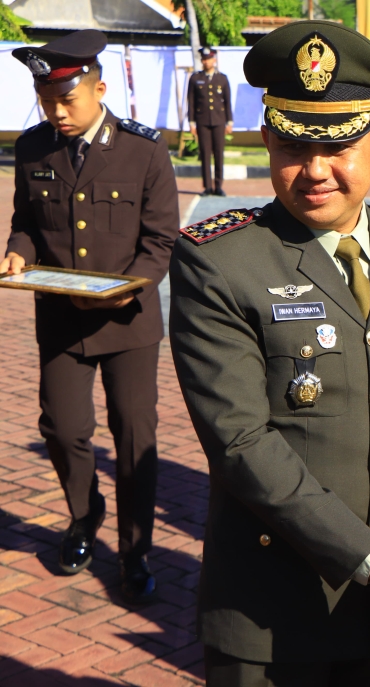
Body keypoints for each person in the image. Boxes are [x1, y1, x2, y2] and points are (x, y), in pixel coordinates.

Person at [169, 21, 370, 686]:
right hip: (275, 605)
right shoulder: (220, 261)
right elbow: (241, 442)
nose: (313, 170)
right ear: (267, 139)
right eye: (292, 145)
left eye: (337, 146)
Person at [1, 30, 179, 602]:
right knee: (62, 428)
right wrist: (18, 252)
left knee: (134, 435)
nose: (56, 113)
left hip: (128, 322)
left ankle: (135, 551)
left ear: (99, 90)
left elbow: (161, 240)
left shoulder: (143, 150)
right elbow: (27, 222)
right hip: (61, 318)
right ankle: (84, 514)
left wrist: (131, 288)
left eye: (66, 100)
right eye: (46, 101)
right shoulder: (34, 149)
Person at [188, 47, 233, 196]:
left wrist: (229, 121)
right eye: (204, 59)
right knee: (205, 153)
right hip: (202, 121)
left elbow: (227, 101)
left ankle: (218, 185)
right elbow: (191, 102)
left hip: (219, 120)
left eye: (209, 59)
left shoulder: (222, 78)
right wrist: (192, 122)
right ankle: (207, 186)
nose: (206, 62)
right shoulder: (195, 78)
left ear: (214, 60)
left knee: (219, 153)